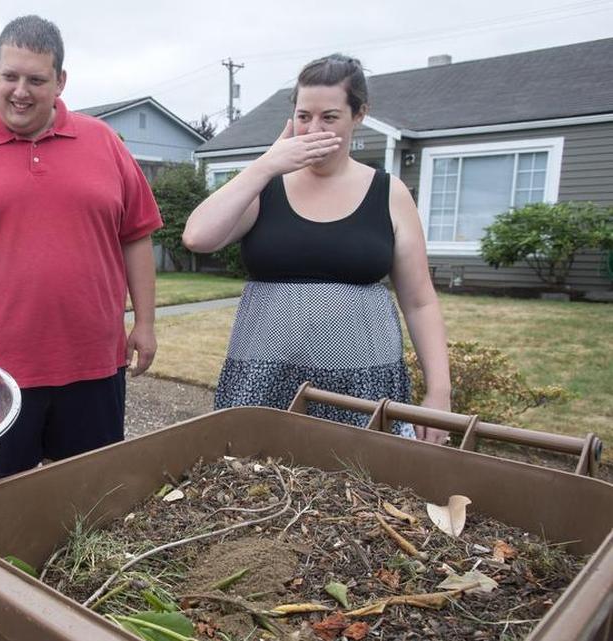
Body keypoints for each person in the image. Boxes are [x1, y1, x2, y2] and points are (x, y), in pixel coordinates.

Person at [0, 15, 163, 482]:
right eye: (10, 76)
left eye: (36, 79)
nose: (21, 91)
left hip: (93, 366)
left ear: (60, 81)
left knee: (91, 497)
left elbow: (135, 235)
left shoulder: (104, 144)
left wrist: (145, 322)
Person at [182, 54, 451, 442]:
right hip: (263, 382)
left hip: (363, 385)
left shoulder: (388, 193)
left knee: (362, 485)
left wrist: (439, 392)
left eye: (329, 117)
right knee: (257, 486)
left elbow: (420, 300)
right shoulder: (266, 186)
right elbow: (198, 236)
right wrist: (264, 166)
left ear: (358, 115)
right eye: (304, 116)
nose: (313, 129)